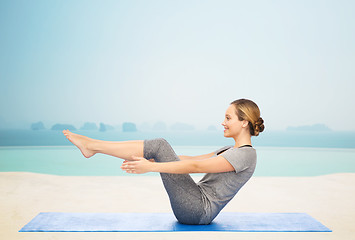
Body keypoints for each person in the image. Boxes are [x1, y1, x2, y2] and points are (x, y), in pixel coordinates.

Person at [62, 98, 264, 225]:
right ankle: (93, 146)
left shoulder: (246, 155)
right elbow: (189, 159)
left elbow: (196, 167)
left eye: (228, 118)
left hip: (198, 210)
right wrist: (153, 158)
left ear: (244, 122)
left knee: (159, 145)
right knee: (157, 148)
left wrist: (151, 167)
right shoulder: (230, 150)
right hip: (194, 204)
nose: (223, 122)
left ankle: (92, 146)